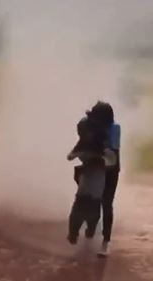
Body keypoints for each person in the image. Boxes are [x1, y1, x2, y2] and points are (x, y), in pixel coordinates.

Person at [66, 101, 111, 246]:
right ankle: (77, 231)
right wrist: (78, 153)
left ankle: (83, 230)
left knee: (87, 202)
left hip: (95, 170)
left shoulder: (99, 132)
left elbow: (103, 153)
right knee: (86, 201)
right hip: (92, 171)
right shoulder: (92, 129)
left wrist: (80, 153)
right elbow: (82, 144)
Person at [97, 103, 120, 257]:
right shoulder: (93, 127)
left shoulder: (114, 128)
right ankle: (93, 225)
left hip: (110, 169)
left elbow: (112, 150)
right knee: (94, 199)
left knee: (106, 203)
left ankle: (106, 240)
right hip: (97, 168)